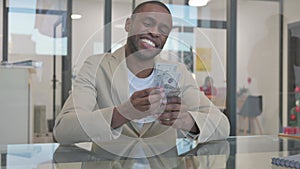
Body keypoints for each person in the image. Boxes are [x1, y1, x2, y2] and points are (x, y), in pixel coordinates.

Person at [53, 1, 229, 156]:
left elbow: (222, 125)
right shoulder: (96, 66)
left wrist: (186, 120)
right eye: (147, 23)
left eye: (163, 30)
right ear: (129, 24)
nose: (154, 32)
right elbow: (63, 130)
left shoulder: (178, 72)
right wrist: (123, 113)